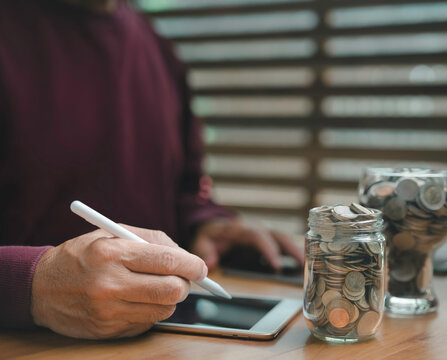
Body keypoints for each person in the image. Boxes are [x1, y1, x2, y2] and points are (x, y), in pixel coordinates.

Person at [0, 0, 303, 339]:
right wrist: (30, 285)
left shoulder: (155, 46)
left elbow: (185, 189)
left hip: (156, 338)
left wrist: (204, 224)